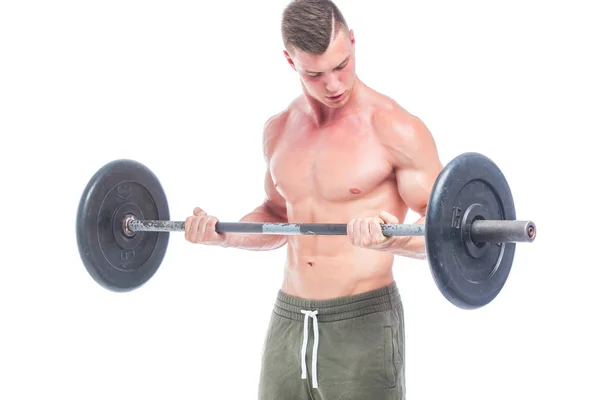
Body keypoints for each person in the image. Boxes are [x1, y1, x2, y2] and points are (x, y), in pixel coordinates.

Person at [184, 0, 443, 398]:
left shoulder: (394, 128)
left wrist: (389, 238)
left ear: (353, 41)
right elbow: (276, 216)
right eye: (315, 74)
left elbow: (441, 233)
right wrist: (224, 235)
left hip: (363, 320)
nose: (334, 85)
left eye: (342, 65)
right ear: (291, 62)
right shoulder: (279, 130)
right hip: (288, 319)